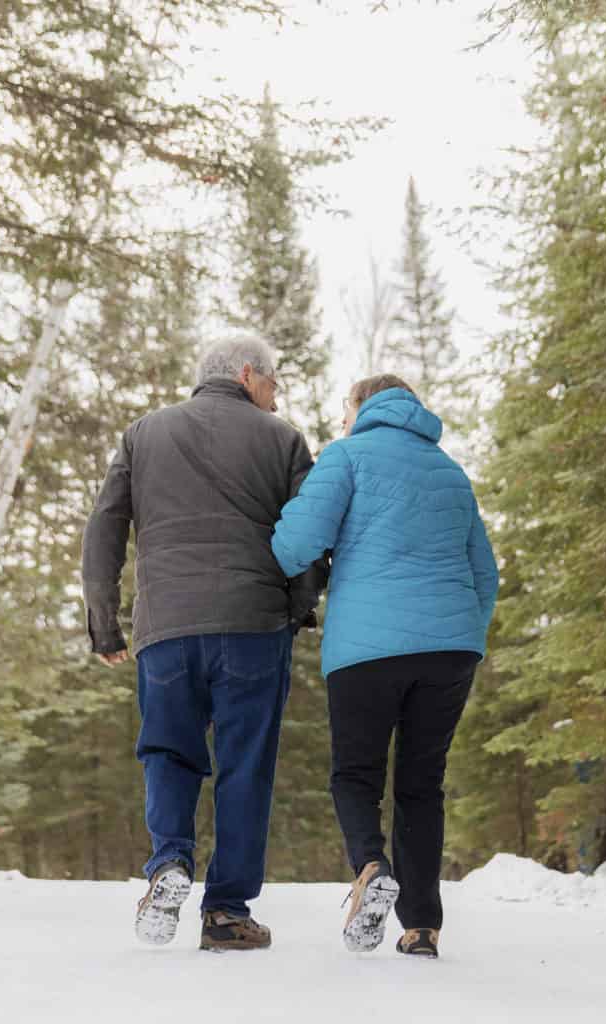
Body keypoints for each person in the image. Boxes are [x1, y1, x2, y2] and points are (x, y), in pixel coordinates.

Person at [81, 336, 324, 952]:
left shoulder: (144, 434)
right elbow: (310, 533)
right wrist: (297, 610)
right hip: (253, 625)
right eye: (272, 383)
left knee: (167, 751)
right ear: (247, 375)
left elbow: (105, 526)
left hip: (166, 626)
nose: (274, 396)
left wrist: (104, 621)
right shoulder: (283, 439)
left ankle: (168, 863)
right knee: (246, 767)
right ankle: (226, 913)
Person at [271, 374, 499, 959]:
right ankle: (421, 926)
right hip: (450, 650)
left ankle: (370, 867)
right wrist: (466, 632)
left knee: (356, 775)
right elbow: (485, 574)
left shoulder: (346, 457)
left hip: (366, 650)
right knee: (422, 784)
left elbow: (294, 544)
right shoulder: (450, 471)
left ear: (360, 407)